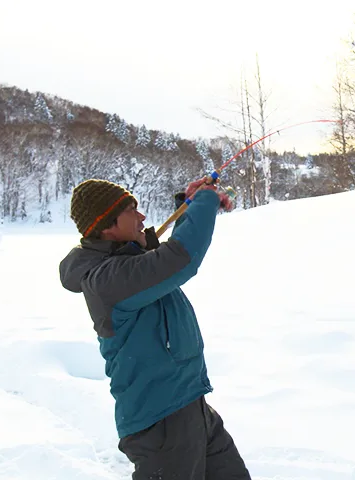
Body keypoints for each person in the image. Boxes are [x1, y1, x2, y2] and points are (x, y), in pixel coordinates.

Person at [59, 177, 251, 480]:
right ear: (108, 225)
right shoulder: (106, 280)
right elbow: (180, 260)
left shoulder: (128, 264)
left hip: (191, 406)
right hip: (160, 421)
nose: (142, 216)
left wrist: (187, 206)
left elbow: (163, 261)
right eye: (131, 210)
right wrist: (204, 202)